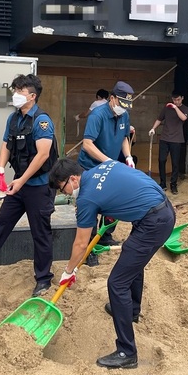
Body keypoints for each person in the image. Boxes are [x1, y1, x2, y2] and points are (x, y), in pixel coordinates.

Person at [49, 158, 175, 369]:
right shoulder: (104, 166)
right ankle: (132, 310)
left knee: (116, 283)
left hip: (153, 222)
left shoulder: (86, 199)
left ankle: (127, 352)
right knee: (131, 259)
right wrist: (109, 211)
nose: (67, 194)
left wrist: (68, 271)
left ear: (73, 179)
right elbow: (124, 184)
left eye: (64, 189)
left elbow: (81, 243)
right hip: (161, 209)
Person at [0, 74, 58, 297]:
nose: (15, 95)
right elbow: (6, 144)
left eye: (20, 91)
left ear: (32, 96)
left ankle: (43, 279)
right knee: (2, 223)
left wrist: (21, 180)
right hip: (18, 184)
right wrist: (1, 168)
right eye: (15, 90)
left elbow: (43, 155)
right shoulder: (13, 119)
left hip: (38, 185)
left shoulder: (42, 121)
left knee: (40, 233)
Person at [78, 81, 135, 257]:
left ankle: (106, 235)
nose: (123, 108)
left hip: (110, 164)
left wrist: (128, 157)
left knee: (115, 200)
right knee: (92, 204)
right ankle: (90, 245)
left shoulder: (124, 115)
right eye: (121, 104)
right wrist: (108, 161)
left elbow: (124, 138)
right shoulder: (97, 115)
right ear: (112, 98)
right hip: (91, 165)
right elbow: (87, 144)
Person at [148, 90, 188, 194]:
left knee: (175, 163)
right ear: (172, 99)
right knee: (161, 160)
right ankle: (163, 183)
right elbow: (159, 119)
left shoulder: (185, 109)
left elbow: (183, 118)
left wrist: (175, 108)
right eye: (174, 100)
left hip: (177, 139)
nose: (176, 102)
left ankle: (173, 184)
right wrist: (153, 128)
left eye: (178, 99)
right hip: (165, 138)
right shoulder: (166, 108)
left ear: (182, 98)